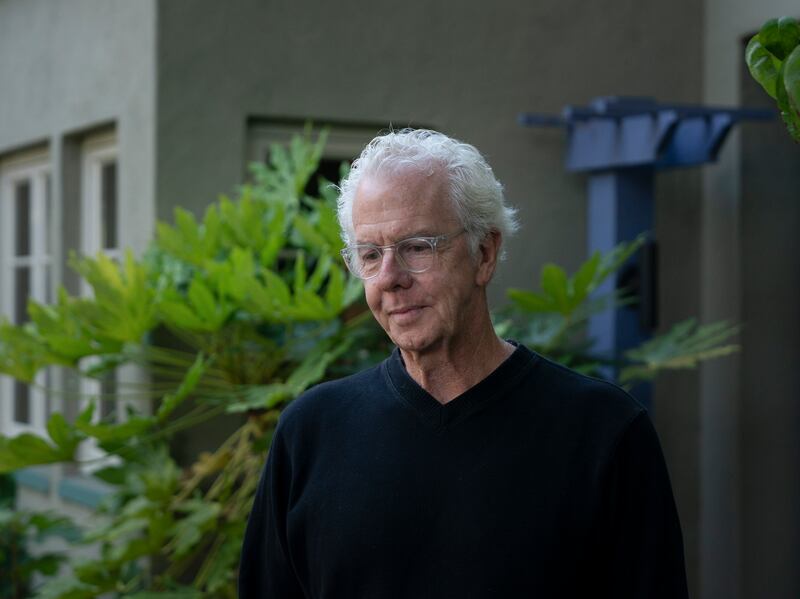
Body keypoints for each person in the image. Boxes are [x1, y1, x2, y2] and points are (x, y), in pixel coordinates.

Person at [239, 129, 688, 598]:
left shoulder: (604, 431)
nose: (390, 278)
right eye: (370, 255)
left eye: (417, 247)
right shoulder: (311, 433)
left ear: (485, 254)